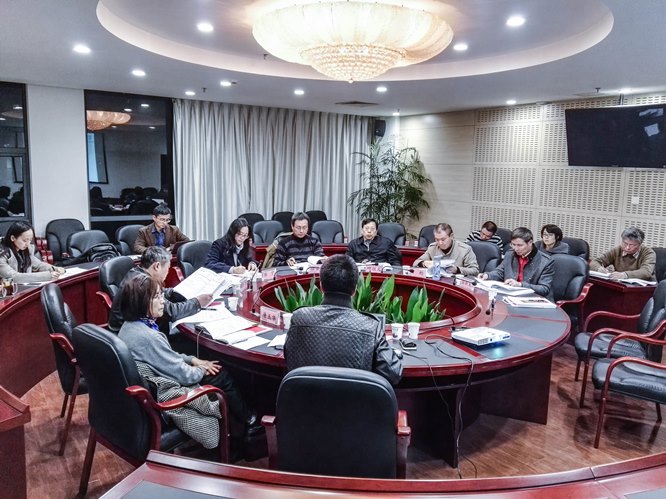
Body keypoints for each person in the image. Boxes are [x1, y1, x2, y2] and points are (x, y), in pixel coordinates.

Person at [117, 273, 260, 449]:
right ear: (141, 302)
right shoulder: (149, 337)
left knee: (207, 363)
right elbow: (185, 376)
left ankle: (238, 424)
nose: (163, 302)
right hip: (164, 396)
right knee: (220, 374)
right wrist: (203, 368)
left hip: (148, 392)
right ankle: (250, 422)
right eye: (157, 297)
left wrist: (192, 359)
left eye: (162, 295)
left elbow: (164, 356)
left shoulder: (130, 327)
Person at [284, 254, 403, 385]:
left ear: (321, 286)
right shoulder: (371, 327)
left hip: (305, 397)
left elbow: (289, 356)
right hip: (354, 398)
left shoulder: (299, 318)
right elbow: (394, 373)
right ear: (355, 289)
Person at [108, 246, 211, 336]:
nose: (167, 273)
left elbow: (162, 292)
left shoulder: (136, 273)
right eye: (167, 268)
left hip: (131, 329)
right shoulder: (144, 283)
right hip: (130, 335)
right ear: (157, 266)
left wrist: (176, 292)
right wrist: (197, 302)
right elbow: (172, 312)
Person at [479, 227, 554, 301]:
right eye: (513, 244)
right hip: (511, 297)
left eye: (519, 245)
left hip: (534, 300)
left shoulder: (545, 261)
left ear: (530, 242)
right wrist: (487, 275)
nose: (516, 249)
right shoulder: (510, 254)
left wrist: (520, 285)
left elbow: (544, 288)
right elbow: (500, 272)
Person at [0, 221, 65, 283]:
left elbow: (38, 265)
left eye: (30, 240)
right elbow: (13, 277)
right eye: (25, 240)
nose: (28, 244)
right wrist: (47, 276)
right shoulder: (2, 254)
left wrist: (55, 269)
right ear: (13, 238)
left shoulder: (24, 250)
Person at [589, 227, 656, 281]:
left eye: (632, 245)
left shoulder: (648, 253)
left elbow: (646, 272)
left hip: (643, 288)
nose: (627, 248)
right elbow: (594, 262)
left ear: (639, 244)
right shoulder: (617, 250)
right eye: (625, 243)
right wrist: (598, 268)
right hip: (622, 285)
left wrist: (625, 275)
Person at [413, 223, 479, 276]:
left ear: (451, 236)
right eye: (437, 239)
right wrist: (423, 263)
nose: (440, 243)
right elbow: (415, 263)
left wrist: (457, 269)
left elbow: (475, 270)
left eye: (443, 239)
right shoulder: (433, 247)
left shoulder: (465, 249)